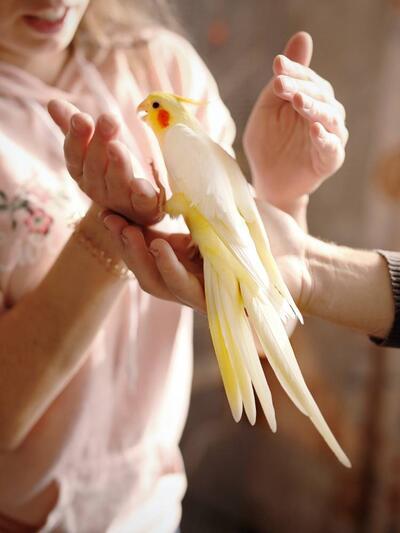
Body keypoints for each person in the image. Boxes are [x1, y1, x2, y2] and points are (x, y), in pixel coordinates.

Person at [0, 0, 348, 530]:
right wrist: (107, 235)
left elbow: (259, 328)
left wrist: (282, 193)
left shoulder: (161, 67)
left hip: (154, 507)